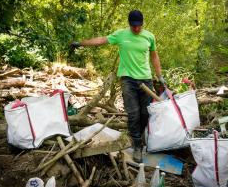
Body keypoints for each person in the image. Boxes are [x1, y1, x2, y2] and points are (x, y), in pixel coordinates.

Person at [70, 10, 165, 162]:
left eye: (139, 26)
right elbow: (101, 40)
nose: (136, 29)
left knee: (145, 113)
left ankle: (141, 138)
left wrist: (160, 76)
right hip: (128, 80)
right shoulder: (121, 35)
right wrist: (81, 43)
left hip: (146, 80)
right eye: (133, 26)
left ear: (142, 23)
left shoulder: (149, 36)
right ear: (129, 24)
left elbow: (154, 56)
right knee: (133, 114)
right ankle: (137, 145)